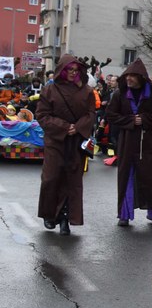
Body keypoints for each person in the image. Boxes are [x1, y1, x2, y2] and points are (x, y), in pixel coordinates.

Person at [36, 55, 96, 235]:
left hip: (76, 141)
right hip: (55, 140)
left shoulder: (86, 91)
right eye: (69, 69)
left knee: (72, 180)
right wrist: (63, 127)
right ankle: (49, 213)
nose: (72, 73)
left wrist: (77, 128)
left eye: (76, 70)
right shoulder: (50, 90)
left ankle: (65, 218)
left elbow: (91, 114)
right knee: (51, 177)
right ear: (62, 70)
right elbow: (42, 115)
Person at [105, 58, 152, 227]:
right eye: (127, 76)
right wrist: (130, 121)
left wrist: (146, 119)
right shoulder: (120, 93)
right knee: (126, 176)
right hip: (127, 141)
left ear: (141, 77)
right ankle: (124, 214)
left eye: (132, 76)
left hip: (148, 142)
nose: (128, 79)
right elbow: (111, 115)